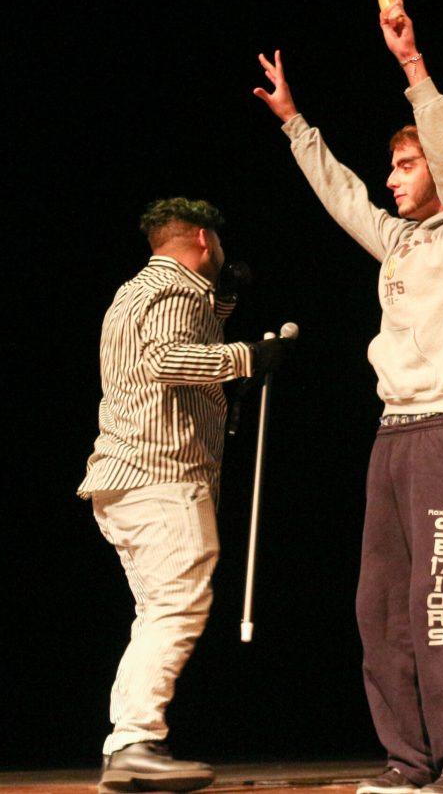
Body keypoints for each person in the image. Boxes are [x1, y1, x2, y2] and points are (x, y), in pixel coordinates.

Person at [253, 0, 443, 794]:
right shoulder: (400, 244)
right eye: (393, 166)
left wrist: (412, 66)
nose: (392, 177)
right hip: (393, 436)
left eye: (406, 165)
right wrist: (297, 125)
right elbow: (342, 199)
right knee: (384, 614)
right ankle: (410, 760)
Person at [78, 198, 288, 792]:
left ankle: (128, 742)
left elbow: (170, 340)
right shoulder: (179, 290)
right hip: (162, 477)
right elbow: (166, 357)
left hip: (123, 479)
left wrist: (225, 302)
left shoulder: (135, 290)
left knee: (158, 611)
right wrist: (248, 357)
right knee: (176, 606)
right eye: (218, 245)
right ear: (203, 237)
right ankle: (134, 743)